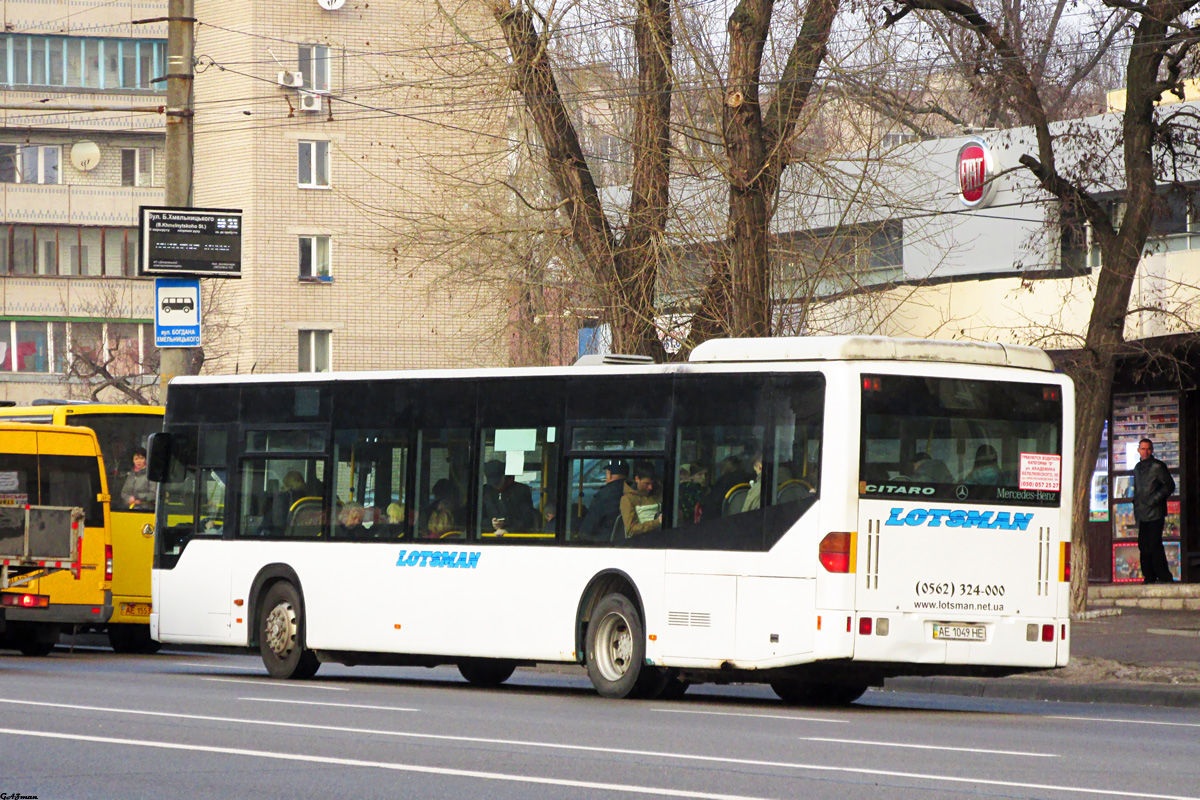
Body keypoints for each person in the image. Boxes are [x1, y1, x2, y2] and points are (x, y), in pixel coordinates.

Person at [1133, 438, 1176, 584]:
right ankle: (1149, 576)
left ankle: (1164, 576)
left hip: (1155, 511)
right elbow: (1138, 489)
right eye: (1142, 448)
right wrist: (1137, 503)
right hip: (1142, 512)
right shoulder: (1137, 468)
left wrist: (1153, 500)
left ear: (1152, 450)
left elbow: (1169, 486)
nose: (1145, 451)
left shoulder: (1158, 466)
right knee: (1143, 544)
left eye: (1148, 449)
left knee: (1154, 544)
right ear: (1138, 450)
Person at [481, 459, 538, 534]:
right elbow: (475, 519)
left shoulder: (521, 491)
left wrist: (508, 529)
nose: (495, 485)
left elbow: (527, 519)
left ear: (504, 476)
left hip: (516, 538)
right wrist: (490, 523)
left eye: (498, 482)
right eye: (492, 483)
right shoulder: (484, 492)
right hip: (486, 538)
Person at [579, 459, 629, 541]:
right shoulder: (634, 491)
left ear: (609, 475)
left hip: (604, 543)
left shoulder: (603, 495)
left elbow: (587, 530)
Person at [620, 461, 663, 537]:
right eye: (647, 484)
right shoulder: (628, 499)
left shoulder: (658, 494)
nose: (650, 487)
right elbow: (631, 530)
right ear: (637, 479)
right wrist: (657, 522)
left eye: (652, 484)